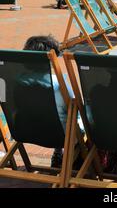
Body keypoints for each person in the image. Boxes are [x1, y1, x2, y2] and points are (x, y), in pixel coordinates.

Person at [22, 35, 78, 169]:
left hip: (25, 131)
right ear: (50, 60)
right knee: (74, 119)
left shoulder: (16, 81)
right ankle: (72, 162)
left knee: (52, 116)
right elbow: (74, 109)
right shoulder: (59, 84)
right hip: (60, 135)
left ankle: (58, 152)